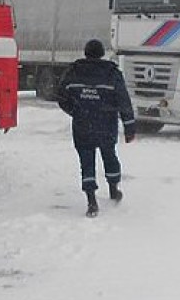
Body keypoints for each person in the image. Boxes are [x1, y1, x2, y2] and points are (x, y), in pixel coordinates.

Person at [57, 39, 136, 217]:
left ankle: (91, 200)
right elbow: (123, 100)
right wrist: (129, 126)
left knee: (86, 161)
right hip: (106, 124)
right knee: (109, 155)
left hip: (82, 125)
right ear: (101, 53)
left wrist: (76, 111)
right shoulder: (112, 73)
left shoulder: (74, 71)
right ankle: (114, 189)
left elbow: (61, 96)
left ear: (85, 53)